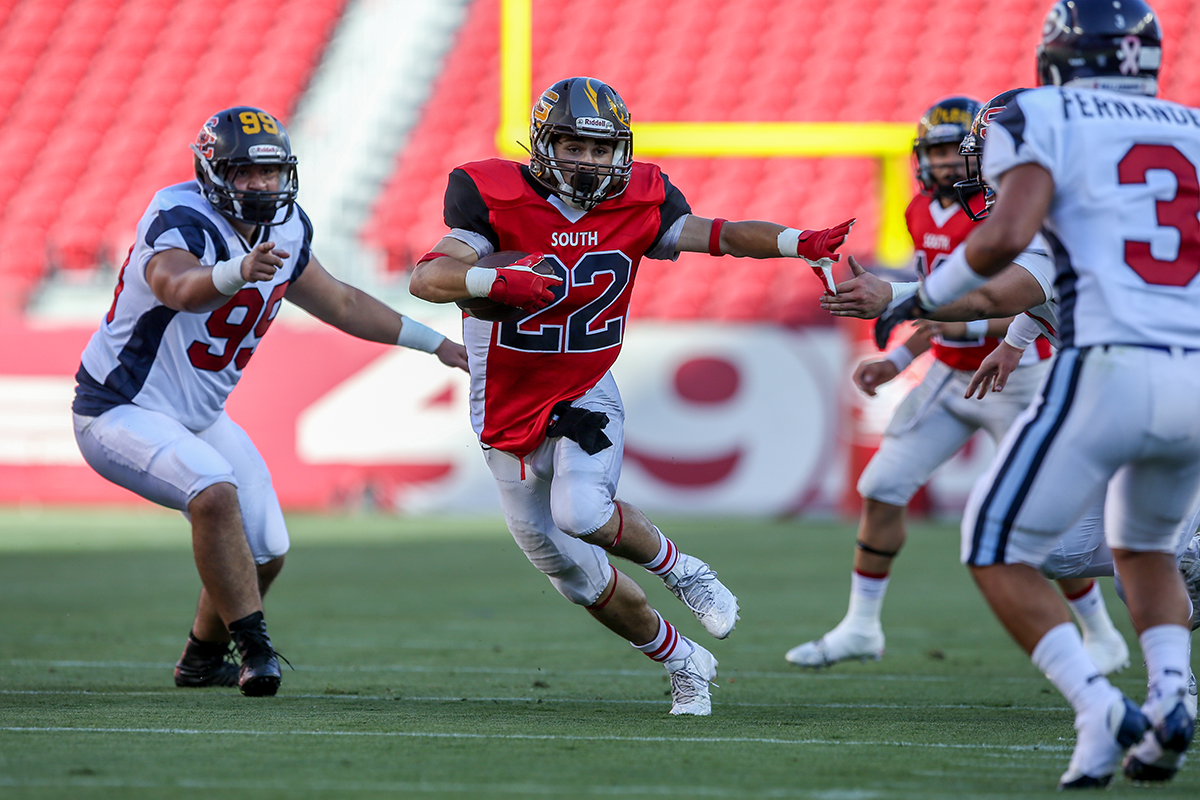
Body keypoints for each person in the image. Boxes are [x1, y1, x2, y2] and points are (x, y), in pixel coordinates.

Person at [409, 76, 854, 715]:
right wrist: (497, 281)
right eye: (573, 146)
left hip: (585, 392)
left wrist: (795, 242)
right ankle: (684, 661)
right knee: (574, 576)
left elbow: (720, 234)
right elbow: (428, 275)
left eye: (599, 149)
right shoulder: (494, 194)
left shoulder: (640, 199)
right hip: (503, 411)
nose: (587, 162)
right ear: (542, 143)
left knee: (582, 510)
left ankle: (686, 571)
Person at [876, 0, 1197, 786]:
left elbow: (1004, 247)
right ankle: (1169, 699)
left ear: (1058, 55)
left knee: (992, 545)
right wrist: (1019, 339)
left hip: (1109, 367)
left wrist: (910, 299)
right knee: (1142, 547)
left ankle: (1099, 705)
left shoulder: (1043, 114)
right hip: (1190, 370)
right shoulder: (1188, 123)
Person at [71, 106, 468, 697]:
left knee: (267, 551)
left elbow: (341, 302)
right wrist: (235, 271)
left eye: (271, 173)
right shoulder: (180, 214)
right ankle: (256, 652)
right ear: (212, 172)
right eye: (244, 174)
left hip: (198, 418)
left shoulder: (287, 227)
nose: (261, 187)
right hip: (119, 407)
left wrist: (435, 344)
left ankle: (201, 660)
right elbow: (178, 289)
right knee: (213, 492)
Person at [785, 96, 1129, 676]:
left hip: (1028, 378)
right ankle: (861, 626)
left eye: (957, 152)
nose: (948, 165)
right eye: (938, 153)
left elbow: (1001, 296)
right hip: (952, 370)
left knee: (1048, 527)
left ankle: (1102, 633)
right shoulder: (922, 211)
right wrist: (901, 358)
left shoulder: (1017, 212)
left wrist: (998, 336)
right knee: (883, 485)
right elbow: (946, 299)